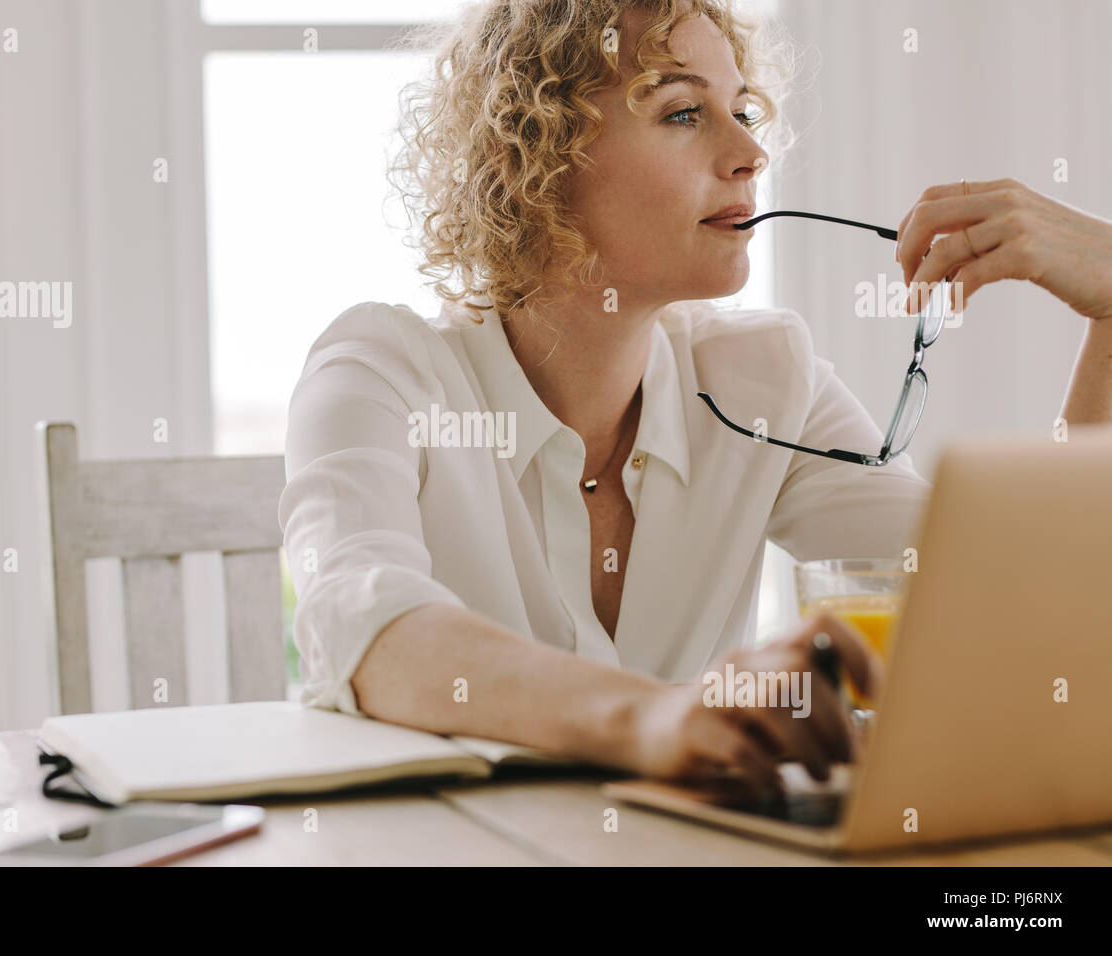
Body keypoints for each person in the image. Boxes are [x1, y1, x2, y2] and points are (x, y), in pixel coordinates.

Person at [279, 0, 1112, 799]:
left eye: (743, 108)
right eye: (682, 113)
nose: (749, 150)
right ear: (529, 156)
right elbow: (361, 623)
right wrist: (659, 716)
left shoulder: (763, 379)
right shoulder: (378, 372)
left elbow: (1013, 608)